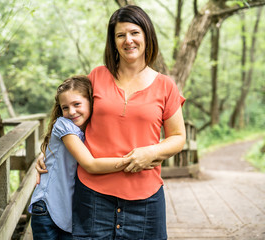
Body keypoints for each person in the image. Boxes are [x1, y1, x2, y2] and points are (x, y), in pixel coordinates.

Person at [36, 4, 186, 240]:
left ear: (147, 35)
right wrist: (50, 152)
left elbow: (178, 138)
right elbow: (70, 115)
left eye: (135, 32)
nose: (129, 40)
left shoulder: (165, 85)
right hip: (93, 197)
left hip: (145, 197)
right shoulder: (96, 77)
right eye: (120, 35)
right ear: (113, 41)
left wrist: (151, 152)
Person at [28, 75, 131, 240]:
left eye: (77, 104)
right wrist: (131, 161)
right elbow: (90, 164)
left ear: (91, 102)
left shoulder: (90, 131)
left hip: (67, 213)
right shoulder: (63, 125)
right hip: (47, 207)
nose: (71, 112)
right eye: (65, 107)